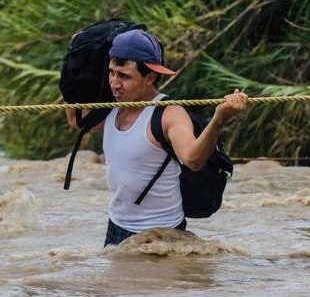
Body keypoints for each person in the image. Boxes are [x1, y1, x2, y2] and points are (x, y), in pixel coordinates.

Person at [67, 28, 248, 246]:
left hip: (161, 235)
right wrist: (74, 60)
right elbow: (77, 121)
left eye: (124, 76)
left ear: (150, 77)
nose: (114, 83)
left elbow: (193, 160)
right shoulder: (111, 105)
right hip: (115, 226)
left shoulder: (169, 114)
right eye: (111, 72)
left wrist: (220, 118)